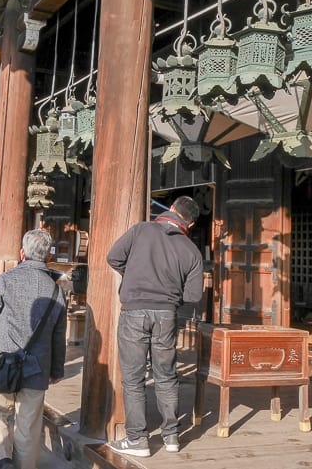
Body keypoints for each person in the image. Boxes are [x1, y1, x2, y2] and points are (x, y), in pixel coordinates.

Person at [106, 196, 204, 457]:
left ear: (171, 209)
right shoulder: (192, 250)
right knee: (166, 375)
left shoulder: (141, 230)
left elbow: (113, 257)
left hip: (134, 311)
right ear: (191, 224)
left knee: (134, 378)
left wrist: (134, 274)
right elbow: (194, 296)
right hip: (166, 315)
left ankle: (137, 439)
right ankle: (171, 436)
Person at [0, 229, 67, 469]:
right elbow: (58, 336)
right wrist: (57, 369)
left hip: (1, 362)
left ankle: (2, 461)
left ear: (22, 253)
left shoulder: (6, 279)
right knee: (29, 426)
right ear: (48, 257)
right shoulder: (56, 291)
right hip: (38, 367)